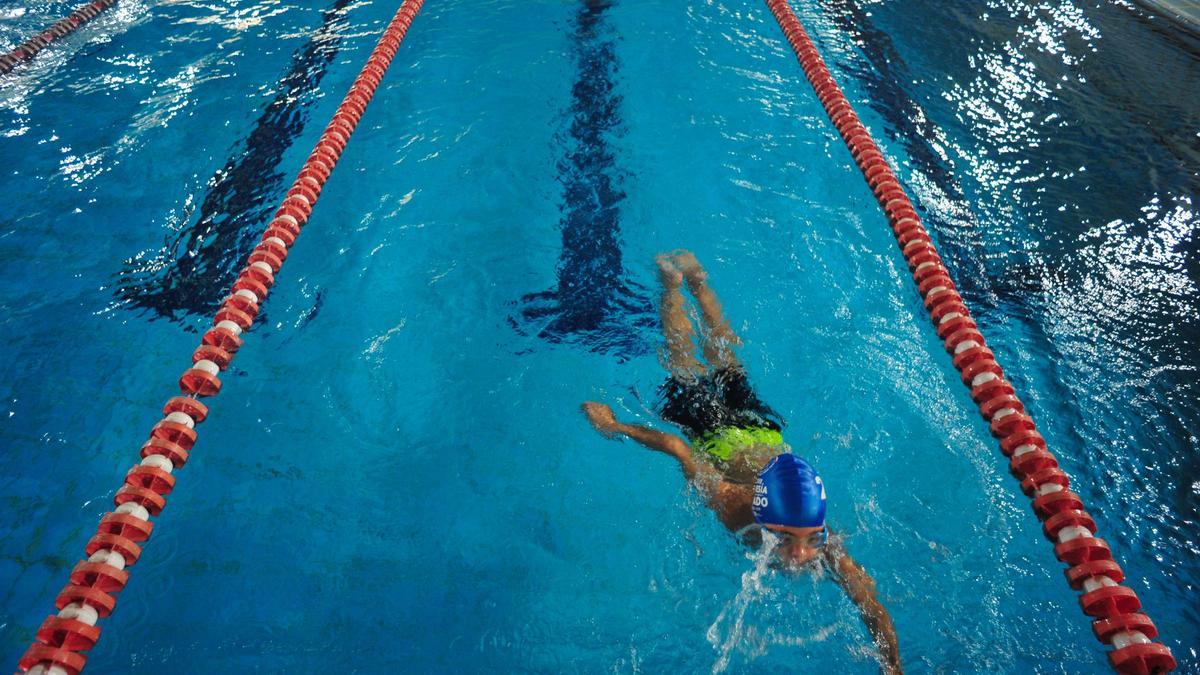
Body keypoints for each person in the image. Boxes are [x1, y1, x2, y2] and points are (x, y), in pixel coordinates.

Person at [581, 250, 902, 674]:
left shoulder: (824, 544)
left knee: (728, 358)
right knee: (685, 359)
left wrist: (893, 668)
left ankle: (699, 280)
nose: (801, 554)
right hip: (710, 429)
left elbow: (871, 604)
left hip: (760, 430)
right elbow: (679, 447)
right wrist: (616, 424)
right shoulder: (732, 505)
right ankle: (674, 286)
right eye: (787, 538)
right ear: (763, 518)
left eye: (811, 538)